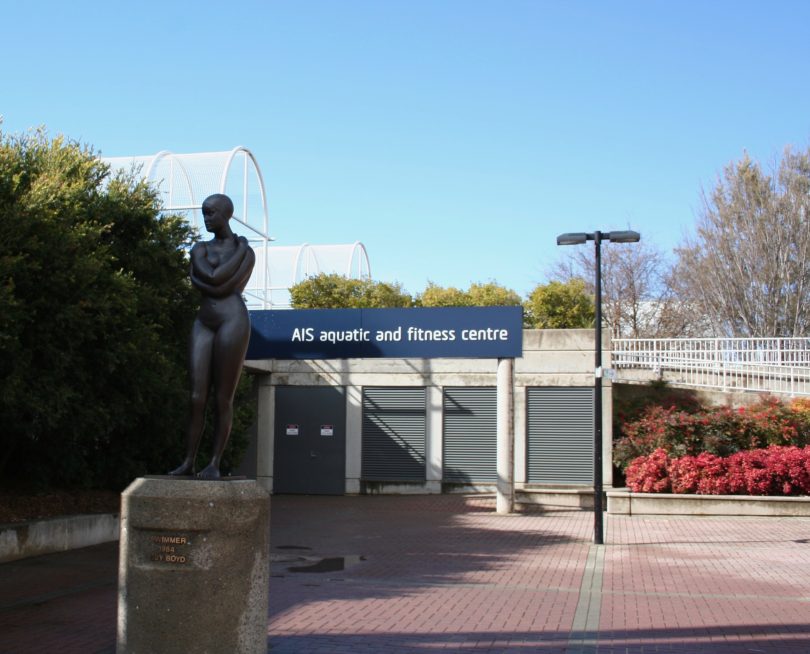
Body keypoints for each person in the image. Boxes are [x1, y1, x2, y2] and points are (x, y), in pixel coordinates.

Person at [169, 193, 255, 479]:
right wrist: (239, 250)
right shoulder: (202, 247)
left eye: (211, 213)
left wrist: (240, 250)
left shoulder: (247, 253)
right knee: (196, 396)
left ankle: (214, 462)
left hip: (233, 321)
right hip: (204, 321)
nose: (206, 219)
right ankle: (188, 461)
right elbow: (218, 282)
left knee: (222, 399)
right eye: (204, 213)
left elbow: (212, 281)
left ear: (226, 214)